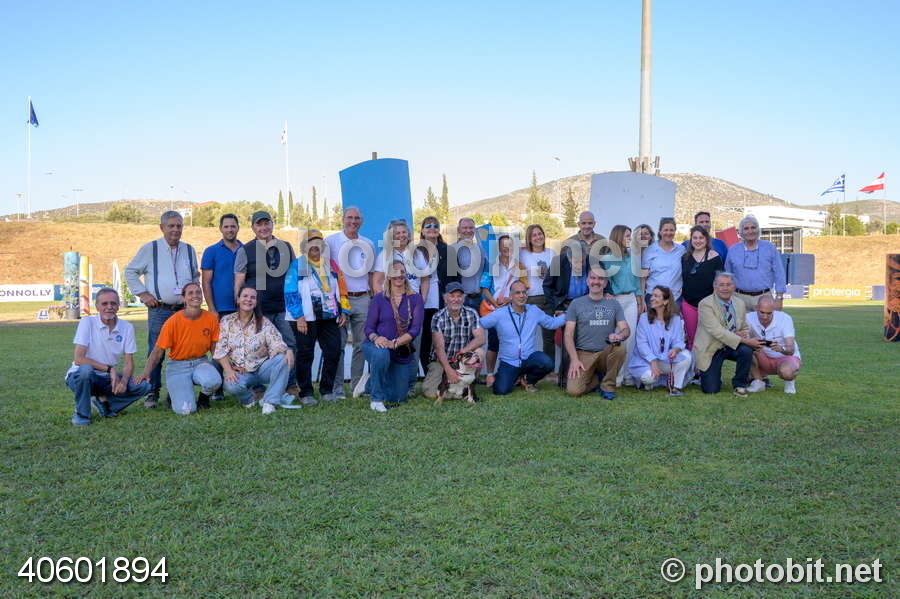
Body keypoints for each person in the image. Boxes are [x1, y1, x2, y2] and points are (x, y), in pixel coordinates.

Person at [125, 210, 200, 408]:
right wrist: (143, 294)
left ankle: (178, 390)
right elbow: (130, 272)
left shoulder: (189, 250)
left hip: (184, 310)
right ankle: (152, 392)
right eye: (171, 226)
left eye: (179, 226)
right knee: (156, 350)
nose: (175, 230)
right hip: (160, 309)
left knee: (183, 350)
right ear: (162, 227)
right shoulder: (150, 248)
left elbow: (195, 276)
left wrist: (193, 298)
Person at [64, 288, 152, 425]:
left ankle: (104, 403)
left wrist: (124, 382)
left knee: (144, 386)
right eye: (104, 304)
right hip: (81, 376)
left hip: (108, 379)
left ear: (118, 306)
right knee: (86, 371)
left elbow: (129, 362)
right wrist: (110, 369)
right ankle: (82, 414)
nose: (109, 307)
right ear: (97, 306)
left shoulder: (126, 327)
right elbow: (79, 359)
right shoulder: (87, 322)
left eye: (113, 303)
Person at [233, 210, 298, 393]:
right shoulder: (245, 250)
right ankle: (257, 388)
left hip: (283, 308)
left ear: (272, 224)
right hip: (258, 309)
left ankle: (290, 385)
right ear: (253, 227)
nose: (263, 228)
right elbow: (239, 279)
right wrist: (239, 305)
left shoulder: (286, 246)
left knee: (290, 344)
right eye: (259, 224)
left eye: (266, 223)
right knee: (256, 348)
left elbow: (293, 276)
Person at [134, 282, 222, 414]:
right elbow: (157, 351)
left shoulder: (211, 319)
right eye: (190, 293)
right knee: (186, 410)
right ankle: (175, 391)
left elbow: (215, 349)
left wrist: (230, 367)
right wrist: (146, 373)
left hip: (200, 362)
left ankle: (203, 399)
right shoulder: (173, 322)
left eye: (198, 292)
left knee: (214, 381)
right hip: (178, 366)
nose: (195, 295)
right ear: (183, 298)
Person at [285, 229, 350, 405]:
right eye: (310, 242)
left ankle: (326, 390)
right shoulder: (298, 265)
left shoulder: (331, 264)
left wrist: (344, 310)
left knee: (333, 350)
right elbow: (290, 291)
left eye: (318, 242)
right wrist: (299, 316)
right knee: (305, 353)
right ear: (304, 246)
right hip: (305, 317)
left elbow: (342, 288)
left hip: (329, 315)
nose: (315, 246)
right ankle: (305, 392)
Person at [215, 286, 295, 414]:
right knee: (230, 385)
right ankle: (249, 399)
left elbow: (277, 343)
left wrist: (287, 350)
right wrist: (229, 370)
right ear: (238, 299)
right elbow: (220, 350)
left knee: (283, 359)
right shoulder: (227, 321)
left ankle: (270, 402)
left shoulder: (264, 322)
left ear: (256, 302)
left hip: (262, 368)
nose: (248, 300)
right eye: (245, 296)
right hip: (242, 372)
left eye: (253, 297)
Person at [372, 219, 429, 395]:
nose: (401, 235)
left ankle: (410, 385)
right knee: (392, 344)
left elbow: (425, 280)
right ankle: (389, 382)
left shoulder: (417, 254)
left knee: (413, 346)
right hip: (392, 307)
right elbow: (376, 282)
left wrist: (421, 301)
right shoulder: (384, 256)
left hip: (413, 307)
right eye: (397, 233)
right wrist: (385, 304)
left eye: (404, 232)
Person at [360, 260, 424, 412]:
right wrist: (377, 338)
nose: (399, 275)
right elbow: (368, 328)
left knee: (398, 397)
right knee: (382, 354)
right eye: (395, 272)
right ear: (388, 276)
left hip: (399, 349)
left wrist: (395, 343)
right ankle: (376, 400)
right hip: (376, 345)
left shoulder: (415, 298)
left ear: (406, 275)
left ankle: (369, 383)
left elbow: (415, 329)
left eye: (402, 272)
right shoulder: (379, 298)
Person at [480, 280, 566, 395]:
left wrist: (568, 314)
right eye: (517, 293)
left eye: (524, 292)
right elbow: (480, 323)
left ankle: (528, 380)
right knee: (500, 390)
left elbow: (551, 323)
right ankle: (513, 377)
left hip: (529, 358)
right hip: (509, 362)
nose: (522, 295)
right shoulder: (500, 314)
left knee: (547, 363)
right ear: (510, 296)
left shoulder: (534, 311)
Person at [325, 206, 376, 398]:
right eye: (349, 217)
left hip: (363, 298)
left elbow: (371, 274)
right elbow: (325, 273)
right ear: (343, 219)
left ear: (361, 221)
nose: (353, 221)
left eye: (357, 218)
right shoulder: (330, 242)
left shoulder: (368, 243)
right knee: (337, 345)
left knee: (361, 345)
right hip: (340, 301)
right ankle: (337, 388)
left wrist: (373, 297)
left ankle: (356, 386)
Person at [693, 272, 763, 397]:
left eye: (728, 284)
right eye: (721, 285)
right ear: (714, 286)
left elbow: (744, 327)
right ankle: (712, 376)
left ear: (734, 286)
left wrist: (744, 336)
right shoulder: (705, 304)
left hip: (732, 345)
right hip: (712, 348)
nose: (725, 288)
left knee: (746, 350)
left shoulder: (739, 303)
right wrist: (744, 340)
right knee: (711, 389)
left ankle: (740, 384)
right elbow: (717, 331)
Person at [564, 270, 629, 399]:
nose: (596, 282)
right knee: (573, 391)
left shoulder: (613, 304)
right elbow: (568, 334)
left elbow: (626, 329)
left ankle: (607, 386)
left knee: (620, 348)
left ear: (605, 283)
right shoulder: (576, 303)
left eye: (600, 279)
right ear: (587, 281)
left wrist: (619, 336)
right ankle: (596, 380)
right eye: (593, 278)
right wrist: (574, 359)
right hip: (584, 353)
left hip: (605, 352)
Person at [422, 282, 485, 399]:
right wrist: (449, 370)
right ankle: (459, 389)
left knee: (480, 352)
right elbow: (439, 348)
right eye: (452, 296)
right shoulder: (437, 317)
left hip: (462, 358)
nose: (456, 299)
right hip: (441, 361)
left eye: (459, 296)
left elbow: (480, 338)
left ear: (464, 298)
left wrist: (462, 353)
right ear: (445, 298)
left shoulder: (471, 313)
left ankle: (468, 384)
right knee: (430, 393)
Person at [627, 285, 692, 396]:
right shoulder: (644, 318)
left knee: (687, 357)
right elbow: (642, 344)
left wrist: (675, 349)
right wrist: (653, 361)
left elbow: (679, 340)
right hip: (647, 360)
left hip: (665, 359)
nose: (652, 298)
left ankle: (675, 386)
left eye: (656, 296)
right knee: (648, 377)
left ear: (666, 301)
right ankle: (649, 382)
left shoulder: (675, 319)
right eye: (652, 295)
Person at [601, 225, 644, 386]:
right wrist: (608, 294)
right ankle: (616, 376)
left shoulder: (631, 257)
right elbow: (606, 281)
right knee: (617, 337)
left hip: (631, 299)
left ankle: (627, 375)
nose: (629, 239)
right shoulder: (607, 259)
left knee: (630, 338)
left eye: (630, 236)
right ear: (618, 236)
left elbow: (636, 281)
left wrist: (640, 301)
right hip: (615, 300)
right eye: (627, 235)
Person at [480, 234, 524, 385]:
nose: (507, 248)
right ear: (498, 248)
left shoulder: (518, 266)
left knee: (514, 342)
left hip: (513, 308)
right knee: (494, 342)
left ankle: (516, 375)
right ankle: (490, 374)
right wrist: (495, 303)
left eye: (510, 245)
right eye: (504, 245)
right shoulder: (491, 264)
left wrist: (509, 300)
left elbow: (523, 288)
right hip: (494, 309)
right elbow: (484, 288)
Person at [417, 216, 458, 374]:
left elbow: (456, 279)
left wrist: (452, 297)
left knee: (444, 337)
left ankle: (447, 373)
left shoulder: (449, 251)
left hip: (443, 300)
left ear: (439, 230)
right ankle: (429, 374)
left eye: (435, 226)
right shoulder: (415, 251)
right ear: (422, 230)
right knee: (426, 338)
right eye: (428, 226)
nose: (432, 228)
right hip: (423, 301)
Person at [724, 215, 787, 312]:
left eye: (753, 227)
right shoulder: (733, 250)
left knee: (765, 323)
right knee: (739, 323)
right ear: (741, 232)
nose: (750, 231)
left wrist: (779, 298)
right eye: (746, 228)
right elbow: (727, 276)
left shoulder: (770, 248)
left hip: (764, 298)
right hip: (738, 298)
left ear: (758, 230)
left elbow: (779, 273)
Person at [746, 296, 801, 394]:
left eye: (769, 313)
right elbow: (741, 336)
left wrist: (781, 349)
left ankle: (789, 380)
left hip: (784, 357)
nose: (765, 317)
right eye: (762, 312)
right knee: (746, 349)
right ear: (756, 308)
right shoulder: (748, 317)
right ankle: (759, 382)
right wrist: (750, 341)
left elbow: (791, 349)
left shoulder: (784, 318)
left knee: (786, 372)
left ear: (774, 310)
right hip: (762, 356)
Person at [681, 225, 724, 349]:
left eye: (701, 237)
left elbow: (720, 282)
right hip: (689, 305)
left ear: (706, 239)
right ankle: (692, 361)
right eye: (695, 238)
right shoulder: (685, 258)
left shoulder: (715, 257)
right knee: (691, 339)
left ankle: (707, 361)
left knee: (709, 339)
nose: (698, 241)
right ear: (691, 240)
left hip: (709, 306)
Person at [520, 224, 557, 358]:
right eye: (534, 235)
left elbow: (557, 276)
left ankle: (549, 366)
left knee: (549, 337)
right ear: (529, 239)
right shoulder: (522, 254)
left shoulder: (551, 253)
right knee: (526, 335)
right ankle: (525, 364)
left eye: (540, 234)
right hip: (530, 298)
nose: (538, 237)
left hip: (548, 298)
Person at [201, 213, 243, 319]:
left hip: (243, 308)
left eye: (233, 226)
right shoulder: (211, 251)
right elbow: (206, 282)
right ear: (220, 228)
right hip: (220, 310)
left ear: (238, 228)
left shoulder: (246, 250)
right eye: (226, 227)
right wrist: (212, 309)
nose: (230, 230)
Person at [641, 217, 685, 305]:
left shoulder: (681, 250)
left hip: (674, 298)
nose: (668, 233)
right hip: (653, 298)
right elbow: (643, 278)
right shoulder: (650, 250)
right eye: (665, 230)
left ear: (675, 231)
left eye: (671, 230)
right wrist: (642, 300)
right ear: (660, 231)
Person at [450, 217, 487, 312]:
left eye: (471, 228)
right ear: (459, 230)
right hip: (460, 300)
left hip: (479, 299)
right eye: (465, 228)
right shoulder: (451, 250)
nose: (468, 230)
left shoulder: (481, 249)